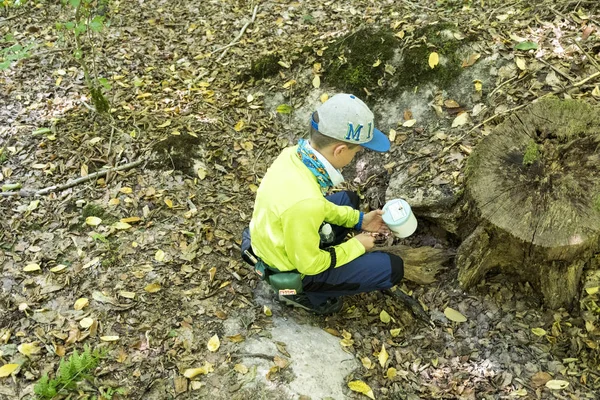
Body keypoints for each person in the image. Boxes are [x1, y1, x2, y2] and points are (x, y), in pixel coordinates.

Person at [247, 93, 404, 314]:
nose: (358, 155)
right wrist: (357, 245)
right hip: (291, 267)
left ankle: (326, 252)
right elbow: (309, 264)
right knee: (392, 269)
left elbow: (316, 205)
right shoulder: (305, 203)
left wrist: (359, 220)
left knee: (349, 201)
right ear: (339, 150)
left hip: (275, 237)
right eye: (357, 150)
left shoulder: (293, 155)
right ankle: (303, 294)